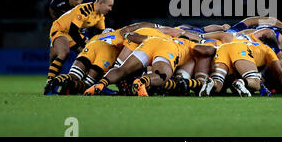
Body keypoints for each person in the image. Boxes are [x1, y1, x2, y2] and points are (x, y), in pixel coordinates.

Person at [83, 34, 214, 96]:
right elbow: (204, 50)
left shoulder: (167, 36)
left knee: (122, 70)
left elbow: (135, 37)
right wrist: (208, 46)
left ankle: (99, 84)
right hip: (168, 48)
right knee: (162, 76)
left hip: (151, 41)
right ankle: (141, 82)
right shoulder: (188, 44)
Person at [44, 0, 114, 94]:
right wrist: (86, 45)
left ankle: (92, 85)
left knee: (90, 56)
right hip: (61, 29)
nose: (110, 9)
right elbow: (73, 31)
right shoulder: (85, 9)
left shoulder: (100, 16)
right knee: (64, 52)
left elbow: (99, 35)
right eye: (109, 5)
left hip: (75, 34)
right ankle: (49, 85)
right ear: (101, 3)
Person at [199, 31, 282, 97]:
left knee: (219, 85)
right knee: (255, 82)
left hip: (223, 48)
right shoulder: (268, 50)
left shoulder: (247, 39)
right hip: (240, 49)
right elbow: (280, 73)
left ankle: (212, 82)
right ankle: (241, 82)